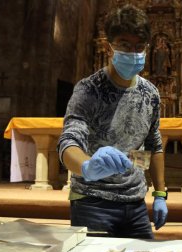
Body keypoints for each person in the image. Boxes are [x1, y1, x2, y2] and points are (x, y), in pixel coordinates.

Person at [57, 4, 168, 239]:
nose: (133, 52)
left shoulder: (151, 93)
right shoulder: (89, 89)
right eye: (125, 45)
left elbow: (153, 145)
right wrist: (87, 166)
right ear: (110, 47)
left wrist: (159, 194)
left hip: (136, 202)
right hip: (92, 201)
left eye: (139, 46)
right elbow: (69, 141)